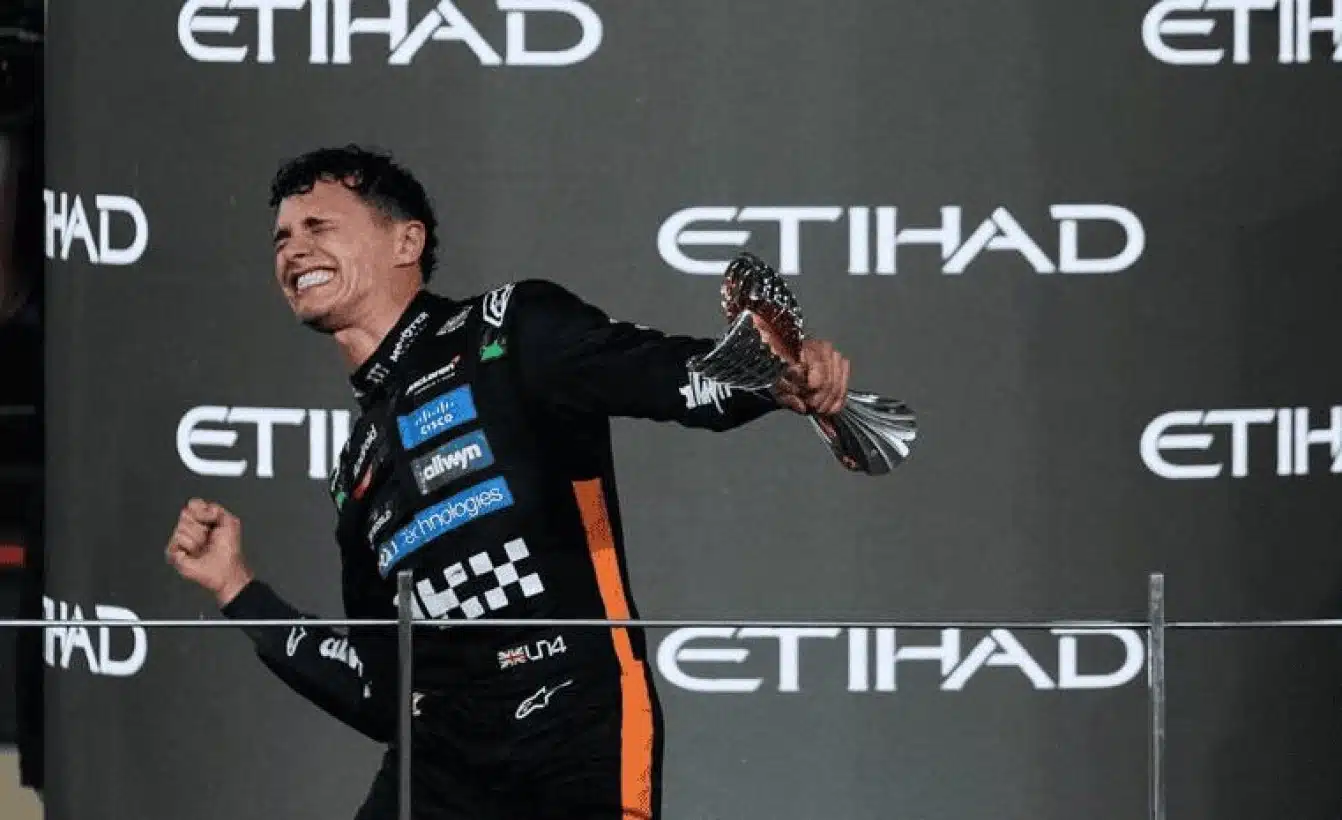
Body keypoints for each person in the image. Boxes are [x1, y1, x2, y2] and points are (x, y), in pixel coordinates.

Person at [164, 145, 851, 820]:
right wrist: (237, 588)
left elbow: (655, 372)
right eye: (282, 238)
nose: (293, 250)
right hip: (437, 762)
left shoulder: (505, 328)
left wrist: (770, 378)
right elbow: (380, 691)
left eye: (318, 226)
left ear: (406, 242)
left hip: (569, 731)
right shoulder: (355, 467)